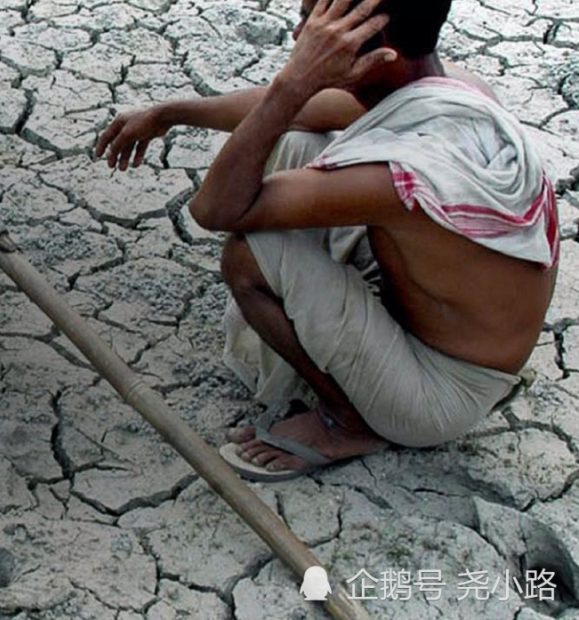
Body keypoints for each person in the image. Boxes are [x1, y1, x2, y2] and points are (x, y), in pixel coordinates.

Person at [95, 0, 559, 481]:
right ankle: (344, 364)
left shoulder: (402, 177)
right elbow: (304, 115)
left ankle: (348, 421)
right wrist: (171, 113)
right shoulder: (441, 85)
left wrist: (295, 81)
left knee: (250, 256)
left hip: (436, 393)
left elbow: (215, 210)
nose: (301, 38)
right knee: (299, 144)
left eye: (321, 30)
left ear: (379, 53)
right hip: (430, 316)